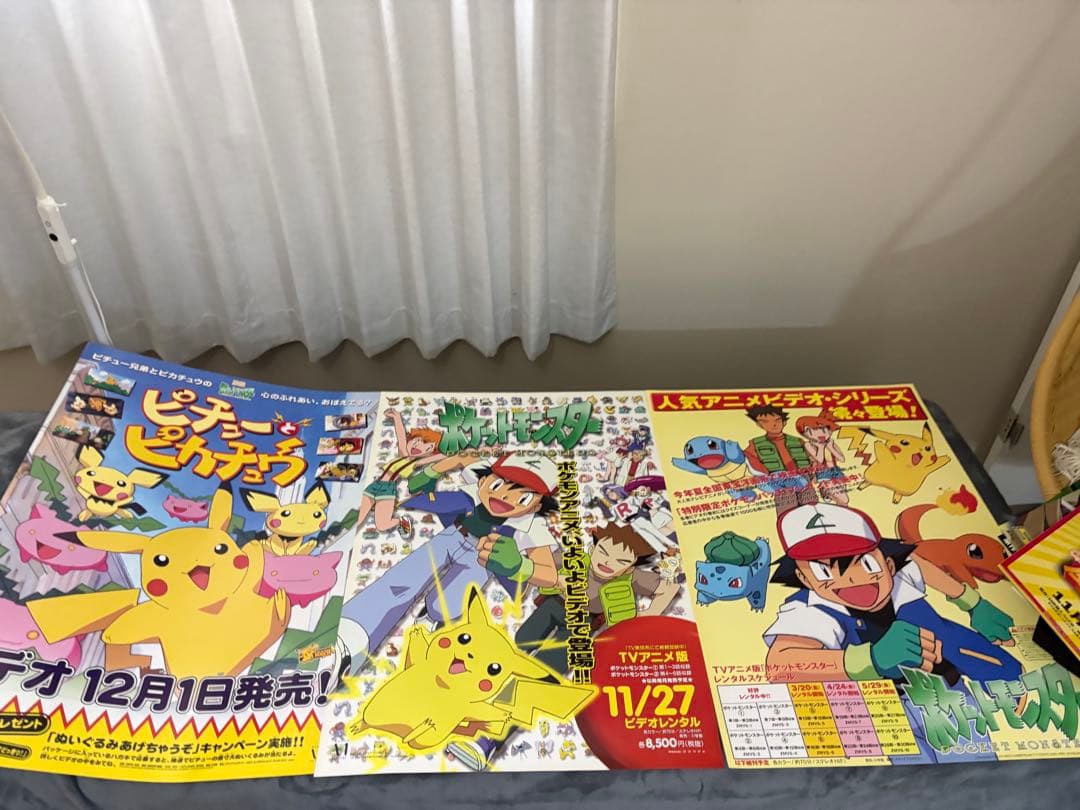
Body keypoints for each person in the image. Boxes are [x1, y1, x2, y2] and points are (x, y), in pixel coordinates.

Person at [764, 503, 1020, 763]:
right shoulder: (810, 609)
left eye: (864, 563)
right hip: (882, 713)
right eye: (824, 570)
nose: (851, 578)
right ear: (804, 578)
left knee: (976, 768)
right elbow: (779, 665)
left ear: (887, 562)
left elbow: (918, 563)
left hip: (946, 697)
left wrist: (971, 602)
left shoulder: (897, 575)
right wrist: (871, 659)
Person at [447, 522, 679, 770]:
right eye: (603, 551)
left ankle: (488, 740)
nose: (608, 562)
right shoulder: (576, 558)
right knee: (513, 652)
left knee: (542, 677)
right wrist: (554, 578)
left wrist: (647, 616)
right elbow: (541, 564)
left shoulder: (634, 578)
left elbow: (669, 588)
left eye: (621, 560)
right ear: (594, 547)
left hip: (580, 625)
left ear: (630, 567)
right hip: (553, 606)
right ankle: (465, 719)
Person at [336, 453, 561, 674]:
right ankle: (350, 635)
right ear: (484, 479)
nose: (504, 496)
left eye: (523, 498)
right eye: (498, 484)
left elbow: (549, 574)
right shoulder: (478, 480)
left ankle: (429, 626)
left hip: (482, 557)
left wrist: (520, 565)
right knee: (403, 580)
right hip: (453, 535)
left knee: (449, 602)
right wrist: (430, 472)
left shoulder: (532, 525)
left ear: (535, 507)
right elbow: (462, 458)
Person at [354, 407, 444, 538]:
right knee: (359, 519)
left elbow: (437, 457)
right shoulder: (403, 452)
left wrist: (454, 449)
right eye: (417, 441)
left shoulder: (415, 462)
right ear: (411, 440)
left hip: (387, 490)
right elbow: (401, 435)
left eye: (428, 448)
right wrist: (396, 417)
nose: (419, 447)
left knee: (382, 525)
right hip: (375, 485)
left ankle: (401, 521)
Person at [743, 405, 816, 512]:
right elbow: (748, 460)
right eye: (766, 422)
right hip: (779, 481)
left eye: (777, 420)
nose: (774, 424)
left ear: (784, 422)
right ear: (759, 424)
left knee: (812, 508)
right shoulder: (755, 444)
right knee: (786, 511)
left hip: (804, 478)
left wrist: (813, 474)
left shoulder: (798, 441)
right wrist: (766, 477)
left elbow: (812, 458)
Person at [795, 409, 848, 505]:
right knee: (843, 499)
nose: (821, 433)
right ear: (807, 431)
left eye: (825, 430)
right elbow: (819, 459)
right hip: (823, 473)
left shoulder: (831, 443)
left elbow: (842, 459)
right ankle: (826, 493)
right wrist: (820, 447)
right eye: (815, 430)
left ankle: (826, 495)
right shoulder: (809, 444)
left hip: (836, 471)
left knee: (842, 500)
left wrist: (831, 447)